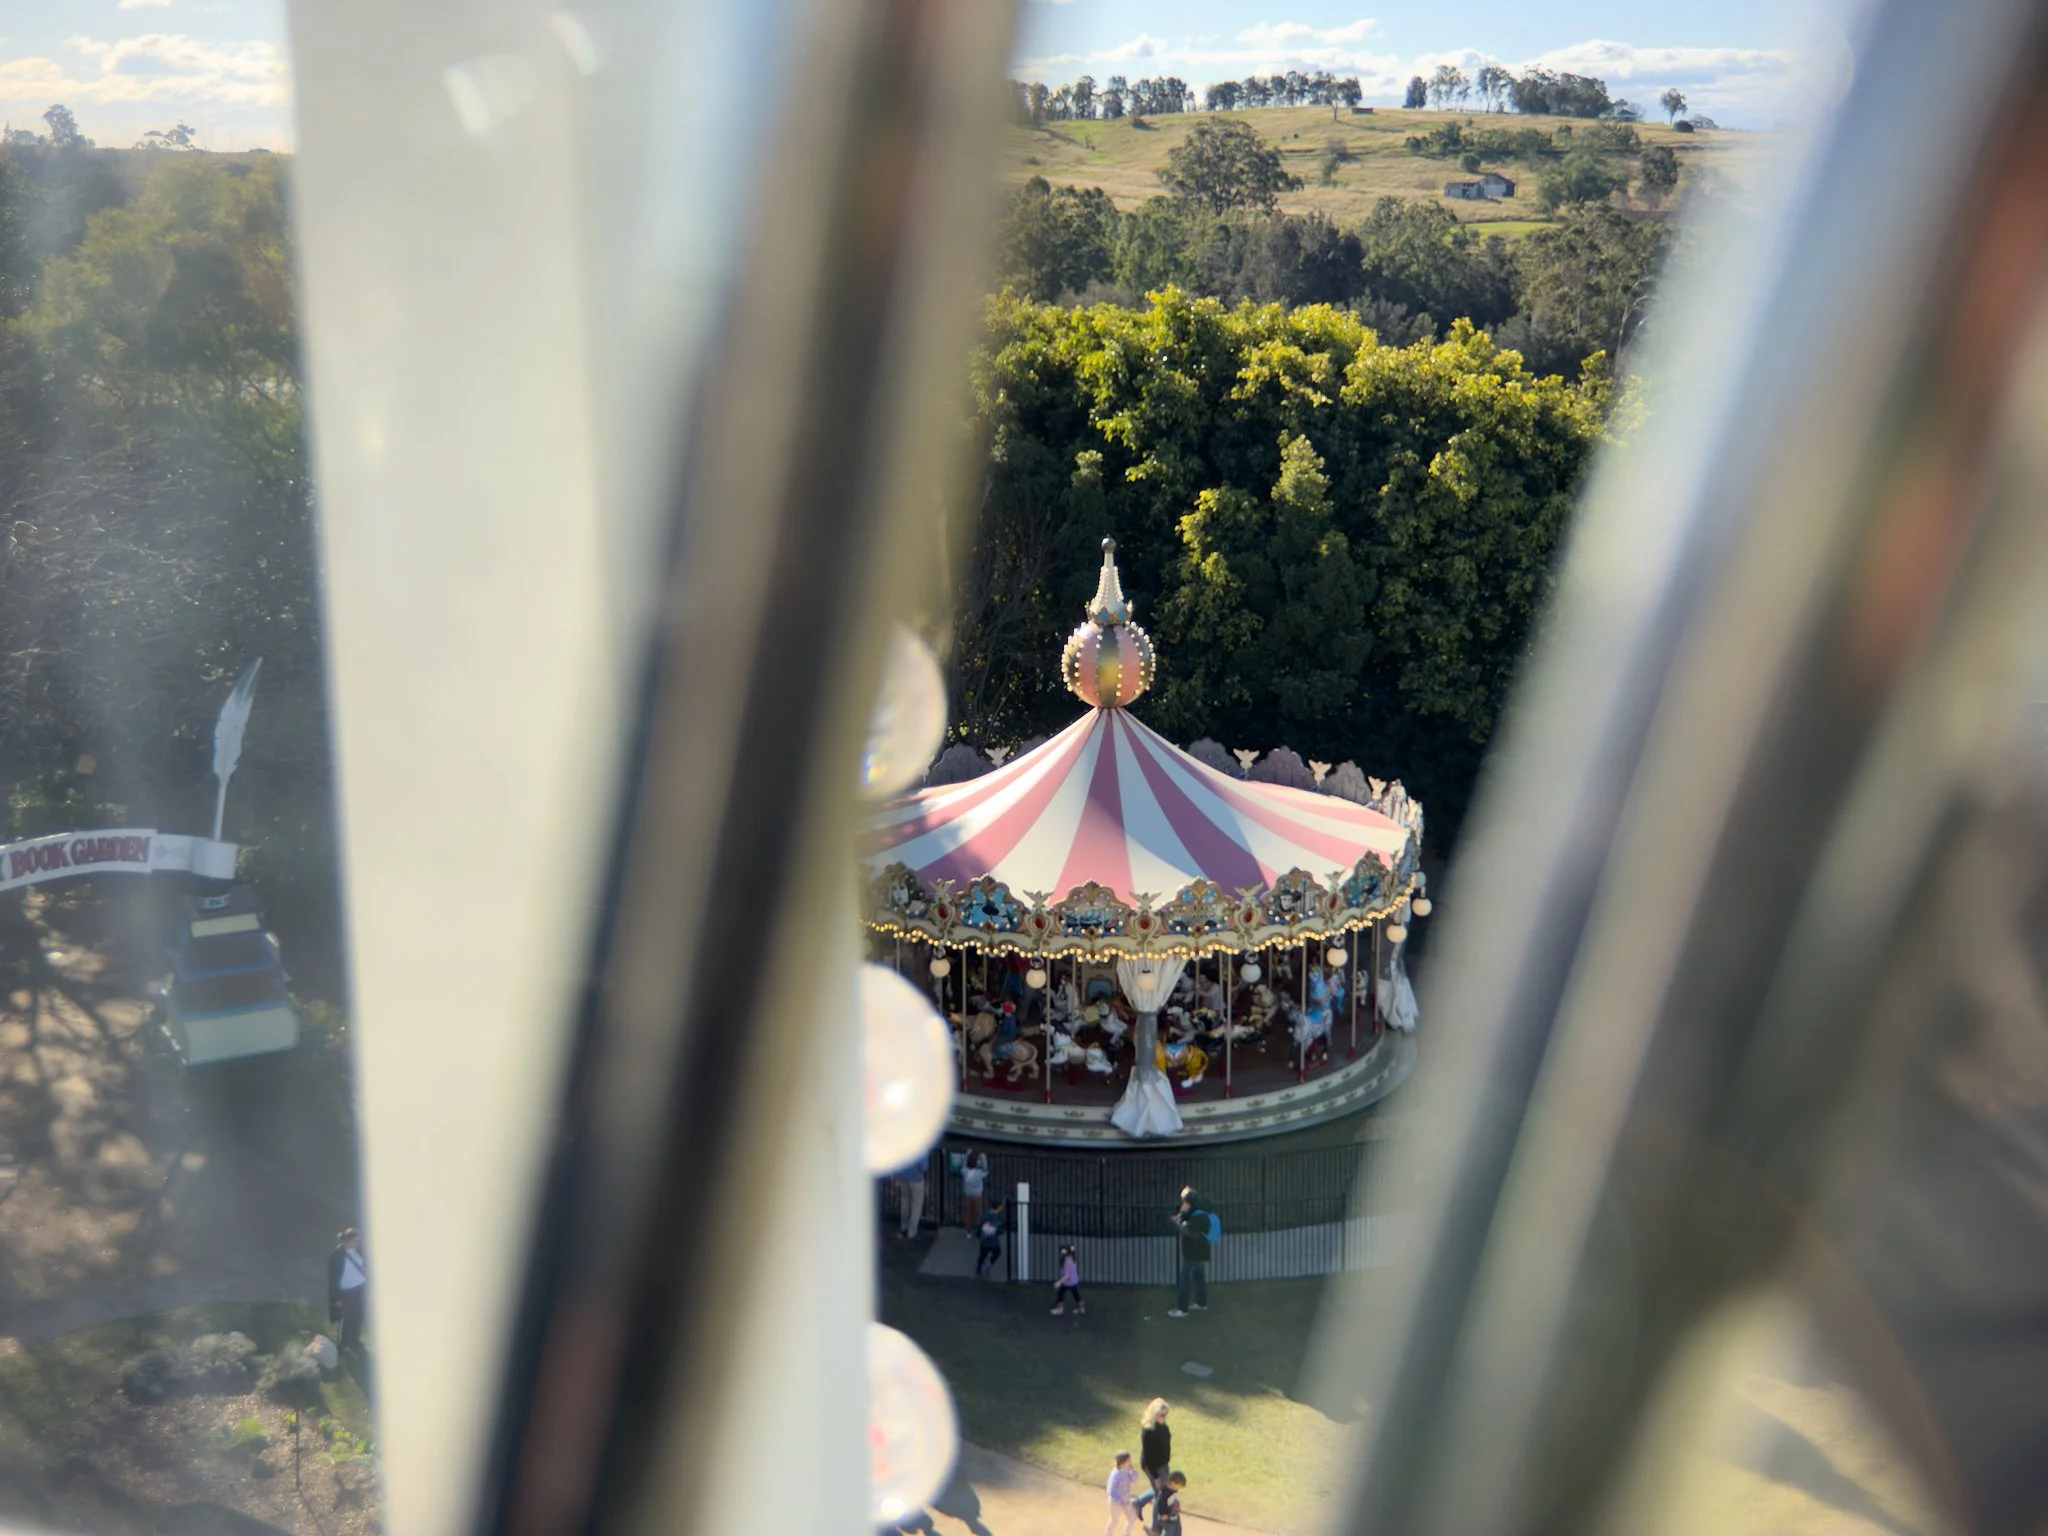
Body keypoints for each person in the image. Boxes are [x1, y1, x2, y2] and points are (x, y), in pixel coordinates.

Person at [1167, 1193, 1210, 1318]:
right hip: (1201, 1249)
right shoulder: (1198, 1213)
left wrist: (1177, 1223)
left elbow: (1187, 1230)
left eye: (1185, 1203)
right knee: (1199, 1276)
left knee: (1185, 1277)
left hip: (1193, 1251)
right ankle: (1201, 1303)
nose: (1183, 1205)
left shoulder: (1196, 1216)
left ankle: (1182, 1309)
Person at [327, 1226, 368, 1353]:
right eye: (355, 1240)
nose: (357, 1243)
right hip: (347, 1291)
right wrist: (336, 1298)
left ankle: (355, 1339)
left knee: (358, 1315)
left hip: (360, 1288)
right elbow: (332, 1278)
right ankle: (344, 1342)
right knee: (348, 1318)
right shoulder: (337, 1255)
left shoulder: (359, 1251)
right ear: (348, 1241)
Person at [1133, 1398, 1171, 1521]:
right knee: (1160, 1494)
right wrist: (1156, 1477)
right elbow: (1148, 1457)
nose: (1164, 1417)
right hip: (1152, 1466)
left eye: (1166, 1414)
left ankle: (1138, 1503)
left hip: (1163, 1464)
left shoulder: (1163, 1427)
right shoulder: (1148, 1431)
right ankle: (1155, 1529)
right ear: (1155, 1414)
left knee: (1164, 1490)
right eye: (1162, 1414)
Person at [1105, 1450, 1139, 1536]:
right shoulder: (1116, 1474)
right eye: (1129, 1460)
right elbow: (1111, 1489)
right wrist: (1119, 1500)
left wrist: (1133, 1471)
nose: (1131, 1462)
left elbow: (1134, 1479)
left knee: (1132, 1517)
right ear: (1122, 1462)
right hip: (1115, 1501)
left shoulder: (1127, 1471)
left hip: (1125, 1499)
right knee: (1114, 1520)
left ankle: (1127, 1534)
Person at [974, 1194, 1007, 1278]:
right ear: (999, 1207)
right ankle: (988, 1264)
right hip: (993, 1241)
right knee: (997, 1252)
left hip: (984, 1241)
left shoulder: (985, 1215)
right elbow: (1000, 1230)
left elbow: (980, 1225)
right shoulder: (998, 1219)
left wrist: (978, 1233)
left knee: (982, 1255)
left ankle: (978, 1268)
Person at [895, 1160, 925, 1238]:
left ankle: (904, 1227)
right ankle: (912, 1232)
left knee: (905, 1202)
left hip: (903, 1176)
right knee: (917, 1204)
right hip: (916, 1177)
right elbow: (923, 1166)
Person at [1051, 1243, 1084, 1315]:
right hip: (1074, 1281)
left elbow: (1067, 1276)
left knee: (1061, 1294)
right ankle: (1081, 1308)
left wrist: (1058, 1282)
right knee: (1076, 1294)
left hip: (1068, 1282)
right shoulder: (1072, 1259)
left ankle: (1059, 1308)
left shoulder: (1067, 1262)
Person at [961, 1147, 989, 1232]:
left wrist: (966, 1155)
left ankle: (968, 1230)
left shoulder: (965, 1172)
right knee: (978, 1213)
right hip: (977, 1195)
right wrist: (984, 1158)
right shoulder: (979, 1173)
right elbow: (986, 1170)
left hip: (967, 1194)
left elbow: (963, 1165)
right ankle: (978, 1229)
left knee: (968, 1213)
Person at [1155, 1470, 1188, 1536]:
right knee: (1170, 1533)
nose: (1180, 1488)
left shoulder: (1174, 1490)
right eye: (1179, 1486)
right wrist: (1163, 1513)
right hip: (1167, 1518)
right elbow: (1160, 1503)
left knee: (1178, 1532)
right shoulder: (1165, 1493)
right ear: (1173, 1483)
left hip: (1175, 1517)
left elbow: (1175, 1501)